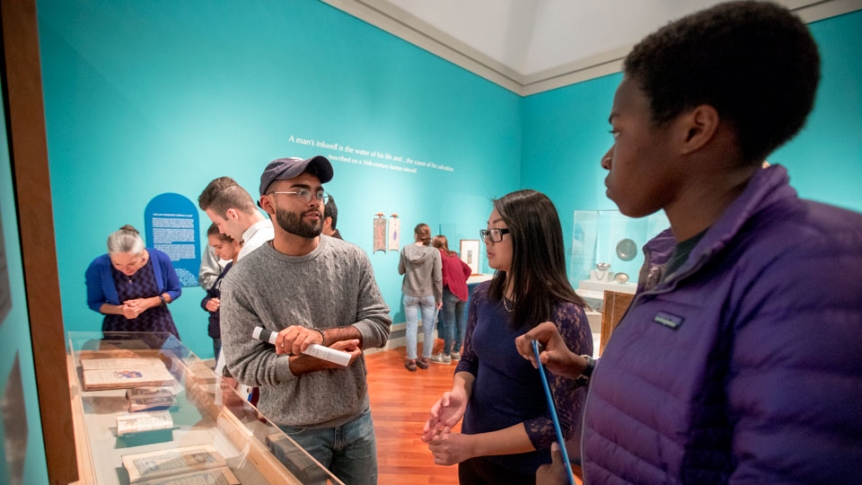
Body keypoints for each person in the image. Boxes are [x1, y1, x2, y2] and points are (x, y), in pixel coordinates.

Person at [515, 2, 862, 484]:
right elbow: (699, 399)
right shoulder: (668, 254)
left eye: (618, 131)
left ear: (694, 129)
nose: (605, 158)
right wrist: (585, 368)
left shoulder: (810, 273)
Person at [220, 155, 391, 484]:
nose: (314, 201)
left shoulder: (351, 258)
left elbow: (379, 324)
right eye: (299, 192)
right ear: (268, 203)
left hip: (357, 419)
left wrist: (320, 338)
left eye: (318, 192)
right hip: (292, 429)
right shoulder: (242, 279)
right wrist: (307, 363)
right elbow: (243, 364)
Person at [422, 190, 593, 484]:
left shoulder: (565, 315)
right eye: (486, 231)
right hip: (473, 458)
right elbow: (469, 361)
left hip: (527, 472)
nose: (486, 240)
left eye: (496, 232)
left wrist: (473, 445)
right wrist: (459, 396)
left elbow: (561, 423)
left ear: (529, 236)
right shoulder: (484, 295)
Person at [198, 176, 275, 376]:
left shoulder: (253, 249)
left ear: (232, 214)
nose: (221, 230)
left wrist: (231, 370)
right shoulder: (275, 236)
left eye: (218, 223)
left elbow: (247, 319)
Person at [85, 225, 182, 338]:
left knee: (172, 355)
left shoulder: (160, 258)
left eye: (131, 264)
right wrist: (120, 310)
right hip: (119, 327)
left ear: (142, 254)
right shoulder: (99, 266)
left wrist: (148, 303)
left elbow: (175, 290)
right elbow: (94, 302)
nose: (125, 270)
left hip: (158, 323)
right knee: (122, 356)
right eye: (117, 264)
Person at [398, 223, 442, 371]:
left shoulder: (406, 249)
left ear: (415, 234)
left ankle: (411, 360)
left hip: (410, 293)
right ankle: (425, 359)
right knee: (428, 328)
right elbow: (437, 278)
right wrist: (440, 297)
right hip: (428, 294)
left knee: (411, 327)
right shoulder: (434, 252)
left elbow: (400, 271)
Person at [201, 223, 241, 361]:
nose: (217, 253)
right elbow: (210, 294)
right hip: (218, 331)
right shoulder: (228, 267)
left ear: (234, 241)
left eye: (219, 247)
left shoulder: (243, 268)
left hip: (233, 336)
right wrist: (208, 303)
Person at [430, 235, 472, 364]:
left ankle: (446, 355)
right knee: (460, 323)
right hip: (463, 292)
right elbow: (468, 269)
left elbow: (438, 276)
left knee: (449, 324)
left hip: (449, 292)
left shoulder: (438, 255)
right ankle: (456, 352)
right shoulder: (453, 255)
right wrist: (460, 281)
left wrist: (447, 283)